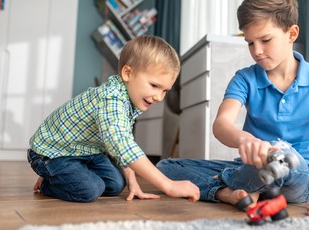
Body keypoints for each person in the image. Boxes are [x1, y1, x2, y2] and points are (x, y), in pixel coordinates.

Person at [157, 0, 309, 218]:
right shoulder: (245, 78)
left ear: (291, 33)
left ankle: (227, 183)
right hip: (250, 169)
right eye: (250, 43)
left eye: (265, 40)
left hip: (298, 174)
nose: (257, 51)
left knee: (284, 156)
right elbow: (222, 123)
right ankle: (227, 192)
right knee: (166, 167)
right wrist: (248, 141)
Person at [27, 35, 200, 203]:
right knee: (90, 190)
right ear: (127, 73)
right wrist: (168, 185)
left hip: (86, 151)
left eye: (165, 90)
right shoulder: (111, 98)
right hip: (54, 153)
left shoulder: (129, 100)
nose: (159, 97)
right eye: (154, 86)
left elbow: (121, 145)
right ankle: (49, 182)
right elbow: (122, 144)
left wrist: (133, 181)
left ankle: (66, 177)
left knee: (116, 184)